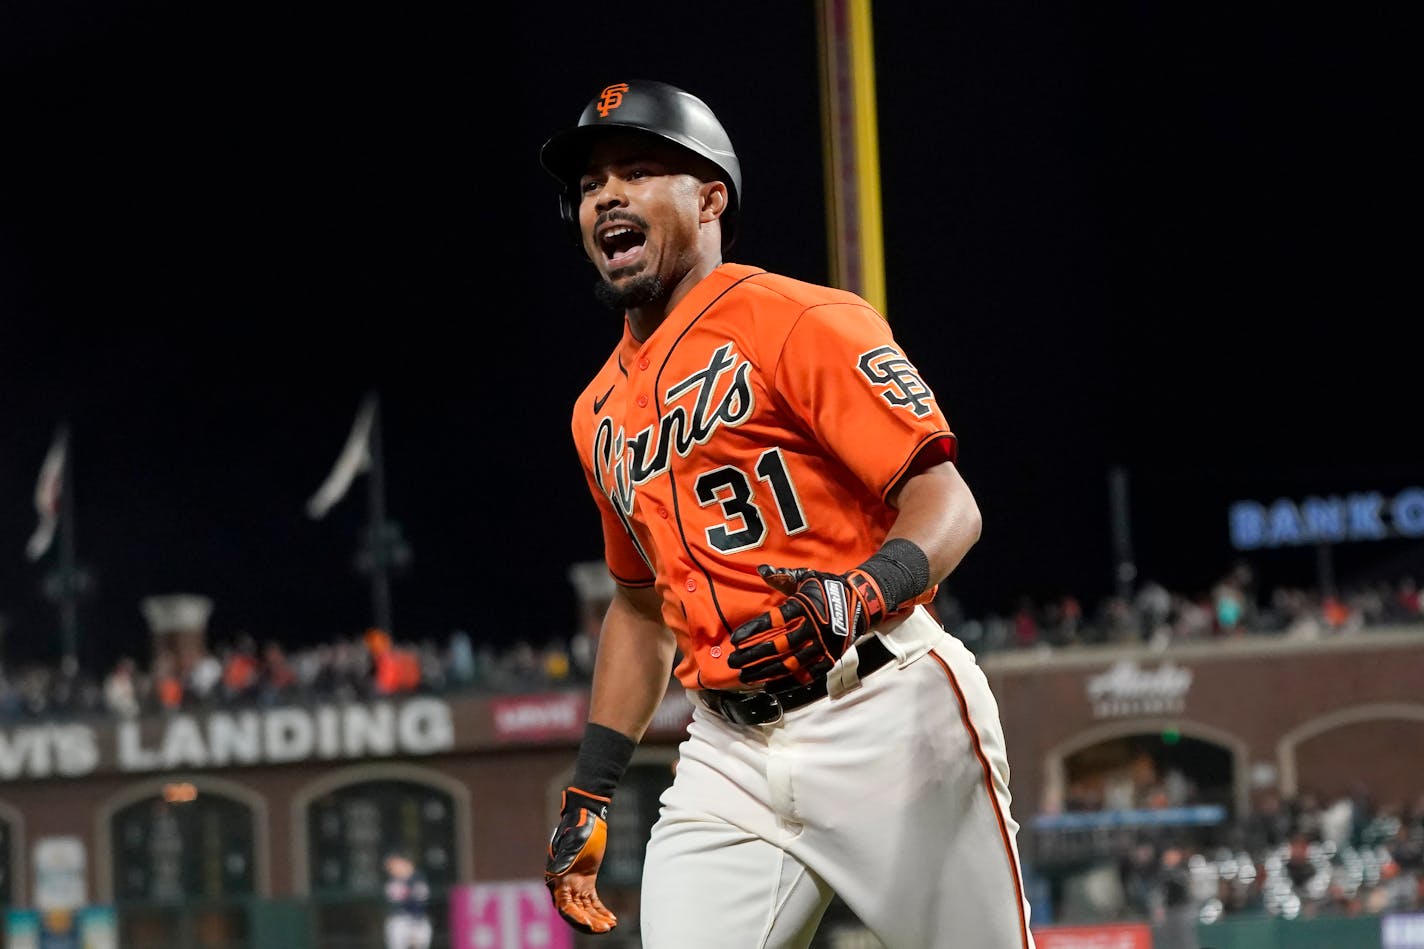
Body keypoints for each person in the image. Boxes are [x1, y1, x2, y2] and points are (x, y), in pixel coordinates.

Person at [538, 79, 1035, 948]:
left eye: (640, 170)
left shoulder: (802, 319)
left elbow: (947, 503)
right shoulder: (597, 410)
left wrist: (857, 593)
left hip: (883, 706)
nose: (606, 195)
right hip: (727, 751)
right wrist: (590, 786)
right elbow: (641, 605)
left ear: (710, 198)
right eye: (588, 185)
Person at [382, 850, 432, 949]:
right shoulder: (392, 882)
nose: (392, 869)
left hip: (419, 921)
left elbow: (419, 901)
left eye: (394, 865)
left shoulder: (419, 878)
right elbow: (397, 901)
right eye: (390, 867)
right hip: (399, 920)